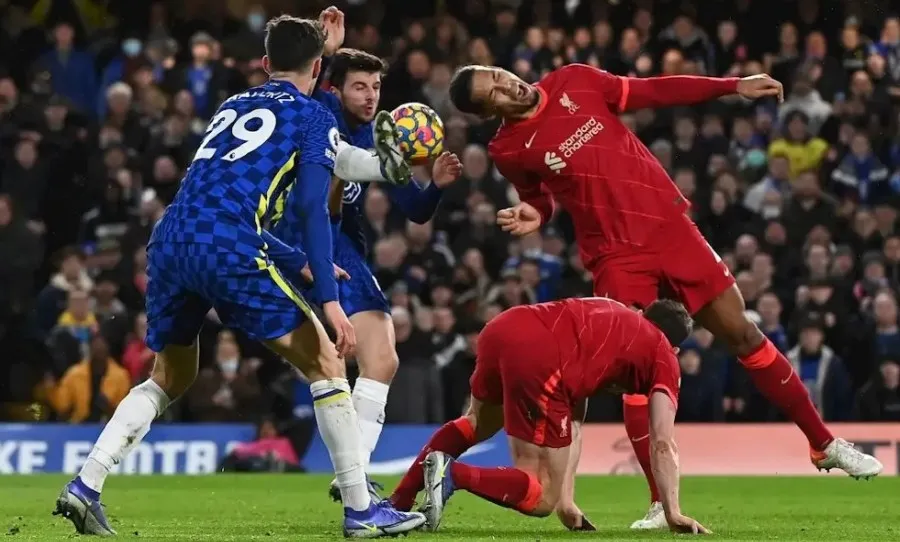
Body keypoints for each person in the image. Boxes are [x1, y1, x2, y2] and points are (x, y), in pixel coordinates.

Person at [445, 62, 883, 529]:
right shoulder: (509, 148)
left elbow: (654, 90)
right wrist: (535, 213)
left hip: (669, 227)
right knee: (632, 368)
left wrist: (730, 85)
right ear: (489, 112)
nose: (505, 84)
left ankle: (823, 444)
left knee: (743, 334)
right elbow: (541, 197)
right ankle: (659, 503)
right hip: (615, 254)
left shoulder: (575, 80)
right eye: (493, 92)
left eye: (497, 74)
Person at [53, 15, 425, 539]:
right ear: (319, 69)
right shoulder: (313, 117)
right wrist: (330, 296)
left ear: (266, 64)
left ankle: (86, 485)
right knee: (326, 362)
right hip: (227, 245)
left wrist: (391, 168)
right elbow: (316, 210)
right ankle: (362, 510)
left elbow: (325, 166)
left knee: (170, 376)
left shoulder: (234, 105)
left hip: (171, 237)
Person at [269, 9, 462, 501]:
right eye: (359, 86)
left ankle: (350, 475)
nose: (371, 95)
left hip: (341, 250)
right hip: (303, 245)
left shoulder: (381, 138)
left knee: (378, 361)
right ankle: (352, 477)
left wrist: (435, 187)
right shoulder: (322, 116)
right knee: (362, 361)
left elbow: (415, 209)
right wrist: (326, 52)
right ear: (335, 90)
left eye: (375, 86)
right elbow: (297, 94)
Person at [397, 297, 708, 535]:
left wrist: (568, 501)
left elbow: (575, 412)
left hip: (504, 326)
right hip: (545, 358)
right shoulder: (663, 354)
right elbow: (662, 443)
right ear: (676, 348)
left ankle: (398, 503)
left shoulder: (613, 311)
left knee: (477, 422)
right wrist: (673, 512)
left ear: (643, 314)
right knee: (542, 495)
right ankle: (453, 475)